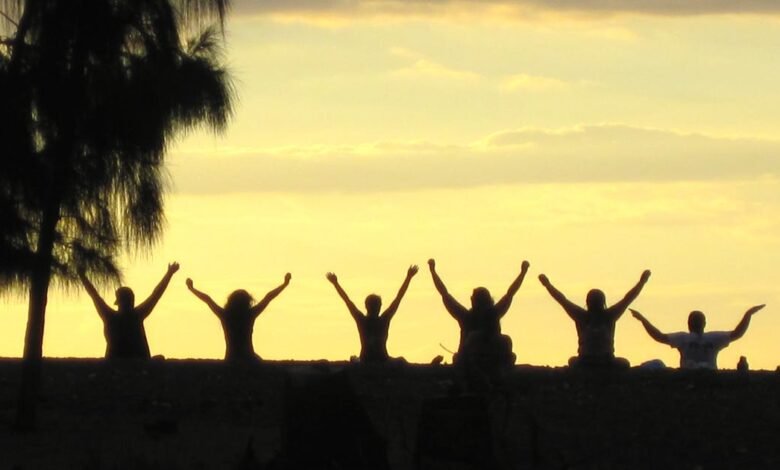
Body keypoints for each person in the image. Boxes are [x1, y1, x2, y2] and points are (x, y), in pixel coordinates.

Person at [538, 270, 651, 368]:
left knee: (573, 361)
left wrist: (547, 285)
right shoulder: (600, 316)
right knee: (623, 363)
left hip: (603, 360)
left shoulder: (603, 316)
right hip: (589, 360)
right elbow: (627, 299)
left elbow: (562, 300)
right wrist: (547, 285)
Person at [428, 258, 530, 368]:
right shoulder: (480, 315)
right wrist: (523, 273)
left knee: (505, 340)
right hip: (471, 362)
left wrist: (523, 273)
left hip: (490, 362)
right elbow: (445, 294)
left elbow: (445, 294)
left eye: (474, 298)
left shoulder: (471, 316)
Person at [79, 262, 180, 360]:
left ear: (118, 302)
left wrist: (82, 276)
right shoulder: (135, 315)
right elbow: (155, 295)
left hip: (119, 361)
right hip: (132, 361)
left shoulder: (110, 316)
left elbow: (94, 295)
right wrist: (169, 274)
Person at [186, 273, 291, 362]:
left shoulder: (225, 315)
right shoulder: (250, 315)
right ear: (248, 302)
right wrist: (284, 284)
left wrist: (191, 288)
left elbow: (207, 299)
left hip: (231, 358)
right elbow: (269, 297)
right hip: (249, 358)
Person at [326, 265, 418, 364]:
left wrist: (336, 283)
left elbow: (347, 300)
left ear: (366, 306)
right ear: (379, 306)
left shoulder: (362, 320)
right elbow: (398, 297)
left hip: (367, 359)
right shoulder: (383, 320)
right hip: (381, 359)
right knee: (401, 361)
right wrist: (408, 277)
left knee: (400, 360)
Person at [630, 305, 765, 370]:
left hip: (708, 373)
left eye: (697, 320)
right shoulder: (684, 338)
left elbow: (737, 333)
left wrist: (748, 315)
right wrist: (643, 320)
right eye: (693, 321)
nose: (695, 323)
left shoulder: (712, 337)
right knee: (656, 364)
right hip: (688, 372)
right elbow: (658, 336)